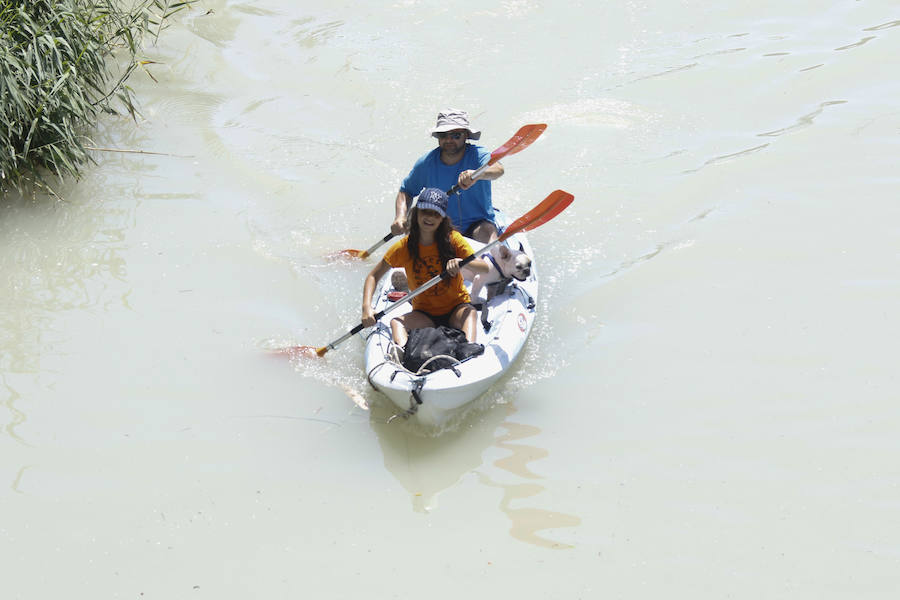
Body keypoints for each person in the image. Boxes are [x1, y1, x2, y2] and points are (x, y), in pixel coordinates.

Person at [363, 188, 489, 349]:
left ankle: (469, 349)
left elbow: (484, 268)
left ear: (443, 219)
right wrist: (367, 308)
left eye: (436, 214)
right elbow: (373, 276)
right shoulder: (403, 247)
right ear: (416, 213)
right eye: (425, 212)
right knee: (396, 323)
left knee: (470, 313)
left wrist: (462, 262)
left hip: (456, 309)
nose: (429, 217)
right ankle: (404, 353)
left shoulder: (453, 239)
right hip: (425, 314)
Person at [391, 109, 504, 243]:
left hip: (478, 223)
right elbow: (406, 191)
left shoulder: (479, 155)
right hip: (440, 226)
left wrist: (477, 174)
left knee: (486, 232)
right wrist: (400, 217)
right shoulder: (426, 163)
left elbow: (498, 169)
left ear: (466, 135)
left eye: (456, 135)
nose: (449, 140)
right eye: (443, 135)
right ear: (438, 137)